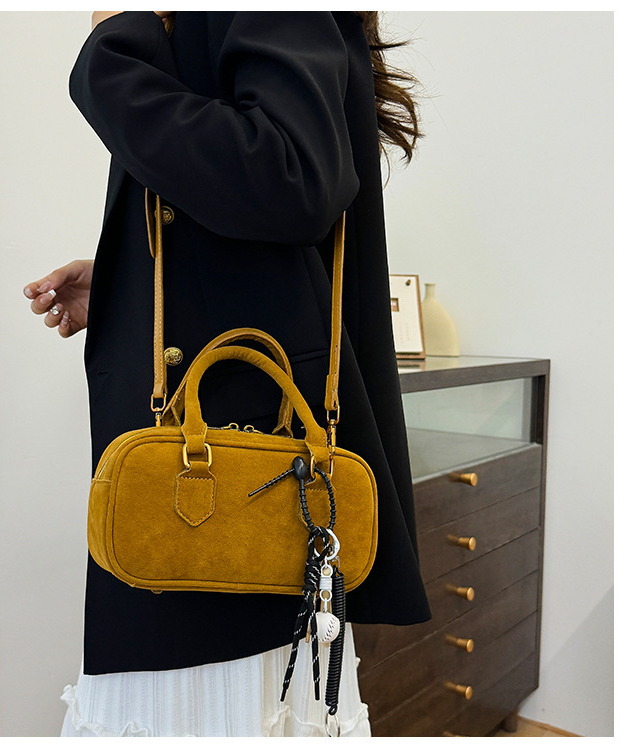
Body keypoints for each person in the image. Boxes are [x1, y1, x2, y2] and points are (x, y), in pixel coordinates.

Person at [24, 11, 431, 737]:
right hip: (234, 465)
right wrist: (127, 280)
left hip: (233, 480)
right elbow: (260, 196)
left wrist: (114, 45)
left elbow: (290, 176)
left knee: (213, 699)